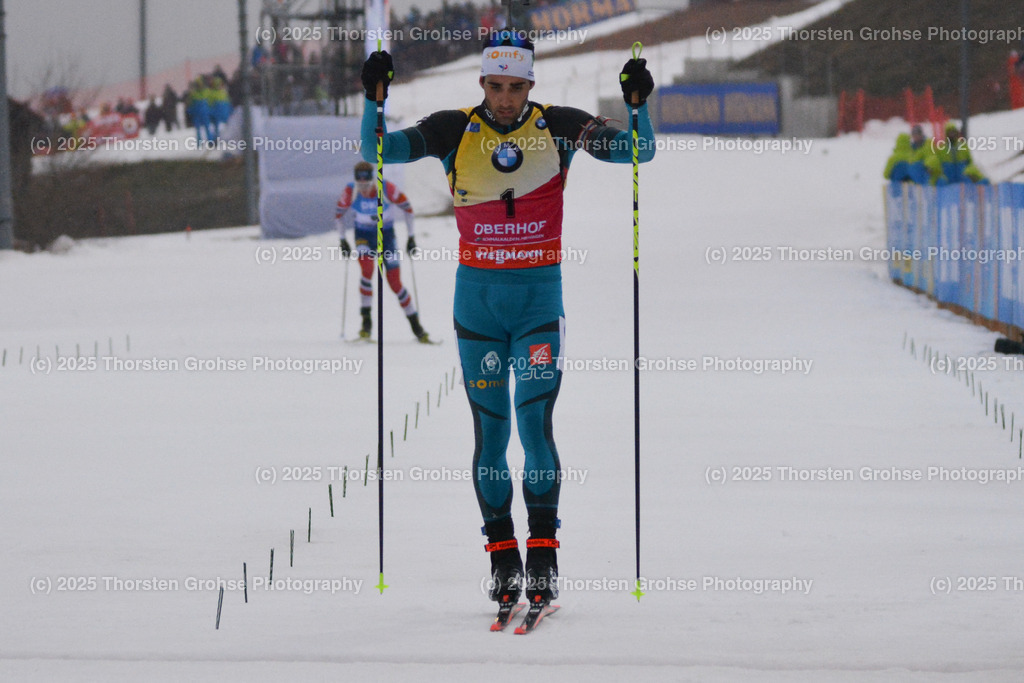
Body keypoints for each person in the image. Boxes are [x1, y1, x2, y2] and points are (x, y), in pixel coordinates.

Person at [358, 30, 656, 610]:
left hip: (538, 302)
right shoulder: (453, 128)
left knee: (534, 428)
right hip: (477, 306)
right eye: (495, 86)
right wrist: (375, 99)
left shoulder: (560, 124)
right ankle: (502, 559)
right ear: (482, 84)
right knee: (490, 437)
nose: (504, 98)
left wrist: (638, 110)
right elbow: (378, 151)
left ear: (530, 85)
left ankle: (542, 555)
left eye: (515, 87)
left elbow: (638, 153)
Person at [336, 160, 431, 343]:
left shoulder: (385, 188)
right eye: (360, 184)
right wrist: (342, 240)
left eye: (366, 184)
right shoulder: (351, 190)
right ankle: (366, 323)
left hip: (386, 236)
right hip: (363, 235)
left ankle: (416, 327)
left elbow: (408, 208)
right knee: (367, 270)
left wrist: (411, 237)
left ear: (372, 180)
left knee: (394, 282)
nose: (363, 189)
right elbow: (339, 215)